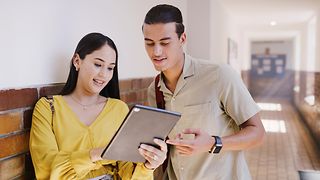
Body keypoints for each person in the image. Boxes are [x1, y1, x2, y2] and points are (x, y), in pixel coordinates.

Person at [142, 4, 266, 180]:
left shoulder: (220, 75)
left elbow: (258, 133)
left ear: (182, 39)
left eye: (165, 42)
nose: (156, 51)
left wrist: (213, 143)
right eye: (149, 43)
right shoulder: (154, 90)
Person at [30, 32, 167, 180]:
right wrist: (97, 154)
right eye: (98, 64)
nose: (104, 75)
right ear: (77, 61)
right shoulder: (48, 108)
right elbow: (46, 167)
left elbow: (128, 171)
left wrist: (147, 166)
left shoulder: (118, 109)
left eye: (110, 68)